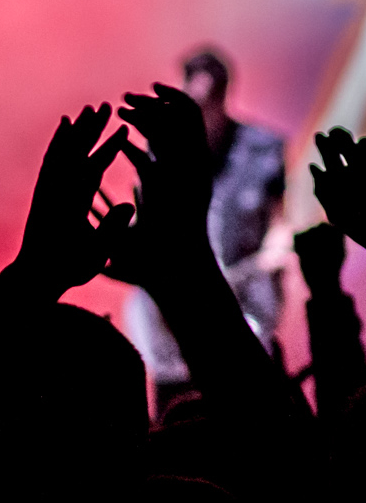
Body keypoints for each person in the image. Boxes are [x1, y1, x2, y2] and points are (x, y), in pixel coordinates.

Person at [122, 47, 290, 414]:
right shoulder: (163, 149)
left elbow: (279, 222)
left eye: (208, 99)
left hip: (245, 300)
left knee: (255, 409)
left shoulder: (263, 149)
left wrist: (273, 256)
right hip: (178, 310)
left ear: (223, 94)